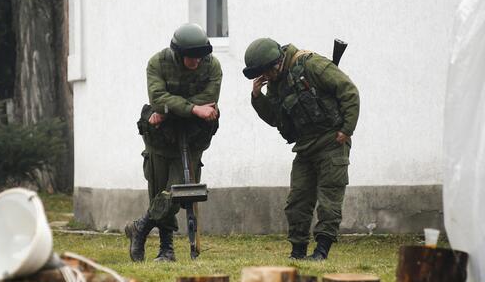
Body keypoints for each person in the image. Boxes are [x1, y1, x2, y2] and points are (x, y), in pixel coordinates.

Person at [243, 38, 359, 261]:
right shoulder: (277, 83)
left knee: (329, 197)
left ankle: (321, 251)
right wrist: (257, 98)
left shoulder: (312, 65)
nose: (265, 77)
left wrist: (347, 129)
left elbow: (349, 91)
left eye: (266, 72)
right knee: (298, 200)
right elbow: (276, 118)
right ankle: (297, 251)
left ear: (276, 63)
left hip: (331, 141)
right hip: (305, 146)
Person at [126, 23, 222, 262]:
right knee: (158, 192)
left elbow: (209, 99)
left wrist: (173, 108)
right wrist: (192, 108)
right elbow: (157, 98)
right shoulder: (157, 63)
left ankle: (140, 227)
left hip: (192, 139)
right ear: (179, 55)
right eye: (192, 58)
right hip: (160, 139)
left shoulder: (212, 65)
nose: (198, 62)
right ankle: (166, 250)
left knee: (177, 193)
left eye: (201, 56)